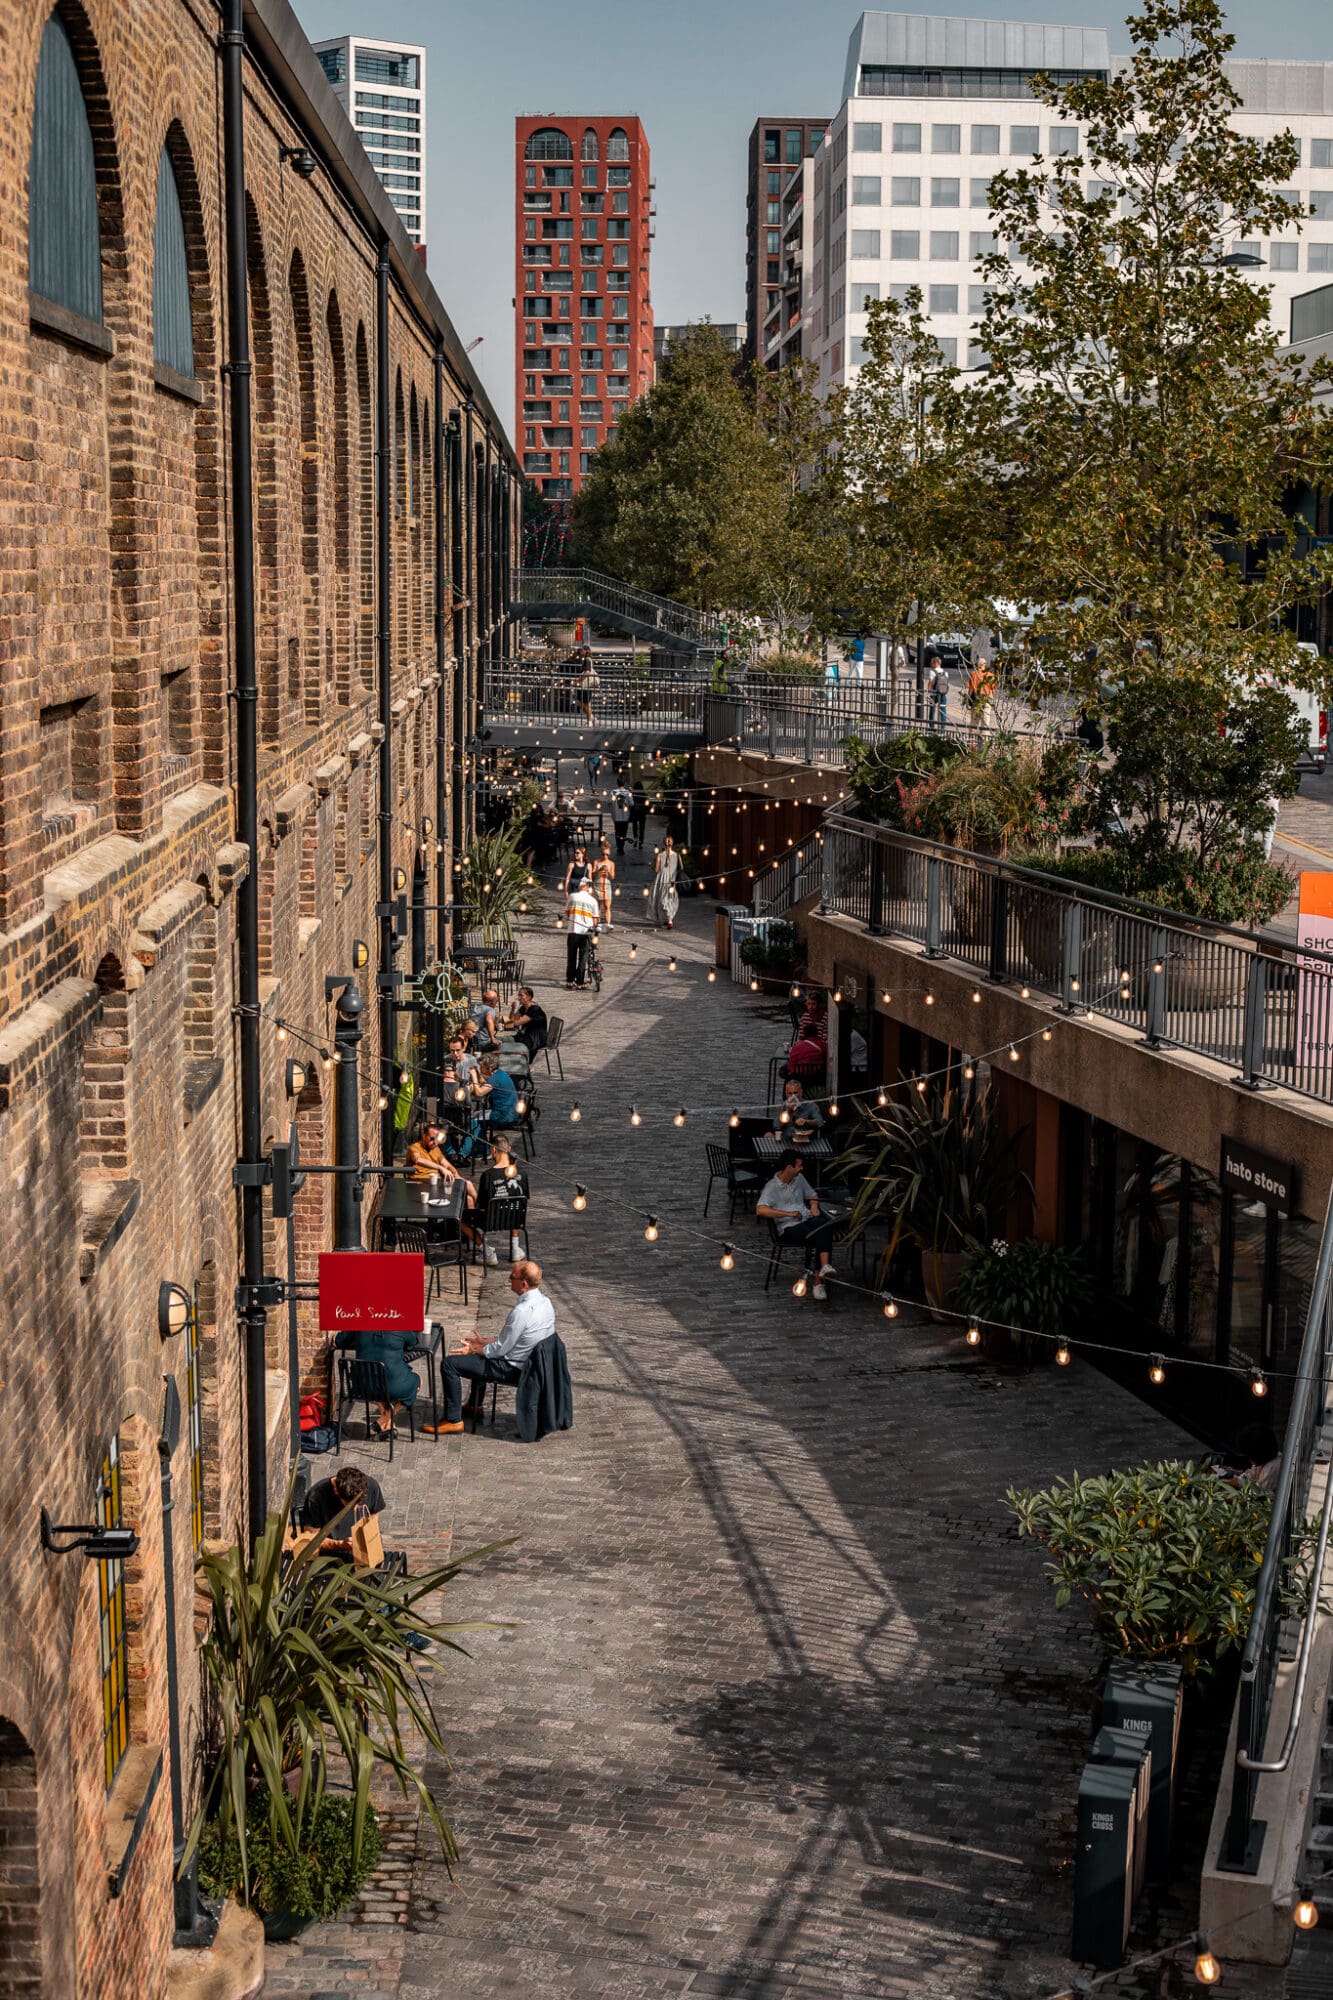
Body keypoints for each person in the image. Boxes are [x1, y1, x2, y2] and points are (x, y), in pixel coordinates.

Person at [425, 1258, 556, 1432]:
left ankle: (453, 1419)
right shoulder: (545, 1303)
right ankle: (474, 1405)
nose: (509, 1279)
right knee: (479, 1355)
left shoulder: (521, 1312)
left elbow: (500, 1349)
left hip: (513, 1369)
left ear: (523, 1284)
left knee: (449, 1364)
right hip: (533, 1364)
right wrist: (485, 1343)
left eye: (512, 1276)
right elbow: (517, 1338)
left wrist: (476, 1349)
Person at [756, 1151, 837, 1300]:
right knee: (821, 1233)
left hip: (806, 1220)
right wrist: (788, 1214)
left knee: (823, 1225)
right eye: (799, 1166)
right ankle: (818, 1283)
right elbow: (760, 1210)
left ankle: (824, 1269)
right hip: (788, 1229)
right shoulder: (772, 1187)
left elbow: (812, 1195)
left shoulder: (799, 1179)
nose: (801, 1169)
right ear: (789, 1167)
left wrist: (814, 1207)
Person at [334, 1322, 421, 1437]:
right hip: (393, 1386)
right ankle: (385, 1418)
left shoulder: (359, 1321)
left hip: (362, 1386)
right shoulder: (400, 1323)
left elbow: (340, 1341)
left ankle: (388, 1426)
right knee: (417, 1381)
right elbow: (413, 1342)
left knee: (376, 1380)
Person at [300, 1464, 385, 1552]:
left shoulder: (372, 1486)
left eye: (359, 1503)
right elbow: (312, 1539)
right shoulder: (315, 1497)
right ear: (336, 1491)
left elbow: (373, 1515)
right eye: (349, 1505)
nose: (355, 1509)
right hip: (331, 1551)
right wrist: (339, 1544)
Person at [475, 1136, 530, 1266]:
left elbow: (482, 1207)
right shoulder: (522, 1173)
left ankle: (487, 1252)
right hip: (515, 1218)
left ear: (493, 1149)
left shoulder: (487, 1175)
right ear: (509, 1149)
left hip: (491, 1222)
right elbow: (524, 1200)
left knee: (460, 1219)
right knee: (515, 1208)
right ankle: (515, 1248)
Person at [565, 877, 600, 988]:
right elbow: (595, 920)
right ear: (588, 887)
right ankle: (579, 982)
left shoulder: (572, 897)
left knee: (571, 957)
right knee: (583, 958)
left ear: (580, 886)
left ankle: (570, 981)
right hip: (586, 932)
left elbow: (567, 912)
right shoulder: (593, 901)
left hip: (573, 930)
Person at [474, 1053, 520, 1136]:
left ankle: (480, 1144)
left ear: (489, 1068)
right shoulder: (500, 1073)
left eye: (482, 1067)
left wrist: (474, 1075)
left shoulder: (495, 1078)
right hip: (511, 1112)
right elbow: (486, 1083)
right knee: (476, 1114)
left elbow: (479, 1093)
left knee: (472, 1119)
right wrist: (478, 1074)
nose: (481, 1069)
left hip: (503, 1116)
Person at [647, 834, 681, 930]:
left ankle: (668, 919)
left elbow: (657, 870)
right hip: (671, 879)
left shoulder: (660, 855)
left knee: (662, 900)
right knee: (668, 899)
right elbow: (680, 868)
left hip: (662, 879)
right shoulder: (676, 855)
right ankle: (667, 919)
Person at [504, 985, 548, 1056]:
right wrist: (513, 1008)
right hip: (525, 1036)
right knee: (501, 1041)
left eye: (521, 996)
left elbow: (516, 1023)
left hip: (534, 1039)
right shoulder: (523, 1008)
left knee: (503, 1043)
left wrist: (512, 1022)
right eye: (518, 995)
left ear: (529, 997)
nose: (519, 998)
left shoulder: (534, 1009)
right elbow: (511, 1021)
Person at [778, 1078, 824, 1145]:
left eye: (795, 1093)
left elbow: (820, 1122)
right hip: (786, 1141)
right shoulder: (783, 1105)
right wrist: (788, 1110)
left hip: (805, 1142)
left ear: (801, 1092)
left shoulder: (810, 1105)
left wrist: (806, 1121)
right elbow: (776, 1125)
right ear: (786, 1094)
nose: (793, 1096)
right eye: (790, 1093)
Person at [592, 836, 616, 929]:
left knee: (607, 906)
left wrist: (608, 871)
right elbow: (592, 875)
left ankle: (608, 923)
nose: (605, 856)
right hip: (597, 885)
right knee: (597, 906)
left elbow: (613, 877)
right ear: (601, 853)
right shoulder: (596, 862)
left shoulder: (611, 863)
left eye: (607, 855)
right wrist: (599, 870)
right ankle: (597, 924)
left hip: (606, 886)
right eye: (603, 854)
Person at [468, 988, 501, 1053]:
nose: (496, 1003)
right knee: (508, 1040)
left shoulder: (476, 1007)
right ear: (492, 1002)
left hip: (472, 1040)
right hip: (484, 1042)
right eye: (496, 1001)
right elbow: (488, 1020)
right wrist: (492, 1038)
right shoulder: (489, 1010)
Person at [927, 654, 950, 730]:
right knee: (943, 711)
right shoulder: (945, 672)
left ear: (935, 663)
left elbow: (930, 682)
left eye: (932, 663)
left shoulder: (932, 672)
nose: (931, 664)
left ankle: (931, 727)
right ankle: (942, 728)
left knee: (932, 710)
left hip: (934, 693)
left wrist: (928, 693)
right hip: (943, 693)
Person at [611, 782, 633, 855]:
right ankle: (621, 848)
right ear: (624, 784)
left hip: (616, 816)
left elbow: (609, 802)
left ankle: (618, 847)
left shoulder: (613, 792)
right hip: (625, 817)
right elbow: (632, 804)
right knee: (623, 833)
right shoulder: (627, 793)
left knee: (617, 832)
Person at [630, 782, 648, 850]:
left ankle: (635, 839)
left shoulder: (633, 795)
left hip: (635, 813)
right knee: (642, 828)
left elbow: (631, 804)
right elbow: (647, 805)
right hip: (642, 814)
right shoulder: (644, 795)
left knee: (635, 827)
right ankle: (641, 842)